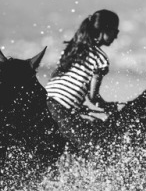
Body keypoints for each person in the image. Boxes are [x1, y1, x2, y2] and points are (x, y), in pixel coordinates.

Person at [45, 9, 120, 151]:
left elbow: (60, 82)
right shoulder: (100, 59)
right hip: (61, 111)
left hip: (45, 103)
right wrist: (109, 107)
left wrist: (76, 106)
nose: (115, 37)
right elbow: (93, 97)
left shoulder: (71, 49)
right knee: (97, 148)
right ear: (105, 30)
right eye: (115, 32)